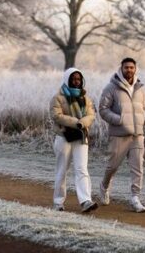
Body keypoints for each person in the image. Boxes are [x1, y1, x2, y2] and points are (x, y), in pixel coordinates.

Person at [97, 57, 145, 212]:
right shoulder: (111, 88)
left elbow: (144, 107)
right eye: (126, 67)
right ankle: (104, 186)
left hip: (137, 135)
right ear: (121, 69)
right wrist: (119, 119)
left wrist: (144, 118)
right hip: (119, 135)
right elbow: (103, 109)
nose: (129, 70)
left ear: (135, 69)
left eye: (132, 67)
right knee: (113, 166)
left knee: (138, 167)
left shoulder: (140, 88)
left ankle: (135, 198)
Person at [50, 67, 98, 213]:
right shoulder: (58, 98)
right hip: (64, 137)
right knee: (62, 170)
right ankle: (58, 202)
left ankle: (85, 201)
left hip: (81, 137)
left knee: (82, 169)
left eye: (78, 79)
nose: (76, 82)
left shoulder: (86, 98)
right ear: (67, 79)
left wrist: (81, 124)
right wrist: (75, 122)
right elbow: (56, 115)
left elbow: (91, 115)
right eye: (73, 79)